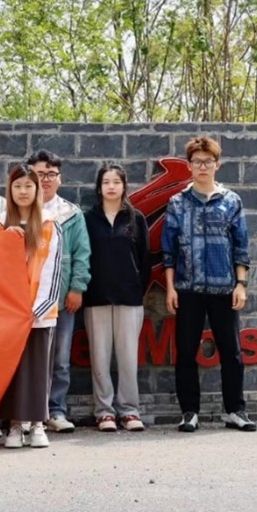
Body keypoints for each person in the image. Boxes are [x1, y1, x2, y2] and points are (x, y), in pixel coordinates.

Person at [161, 135, 255, 433]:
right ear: (189, 166)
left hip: (224, 288)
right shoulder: (177, 203)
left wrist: (241, 284)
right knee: (186, 352)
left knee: (232, 352)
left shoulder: (231, 201)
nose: (203, 167)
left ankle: (235, 410)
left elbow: (241, 246)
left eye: (208, 161)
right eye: (197, 162)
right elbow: (169, 251)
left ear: (217, 164)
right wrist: (171, 288)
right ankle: (189, 412)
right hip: (188, 288)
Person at [0, 164, 63, 449]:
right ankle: (13, 425)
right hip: (8, 314)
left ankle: (36, 424)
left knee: (37, 369)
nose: (23, 191)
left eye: (28, 186)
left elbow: (52, 271)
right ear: (10, 190)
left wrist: (36, 309)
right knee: (10, 370)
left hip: (39, 313)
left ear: (37, 190)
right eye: (17, 186)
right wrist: (3, 240)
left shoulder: (49, 224)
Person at [83, 164, 150, 432]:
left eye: (116, 182)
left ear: (124, 186)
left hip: (129, 298)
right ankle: (104, 412)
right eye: (106, 182)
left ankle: (129, 411)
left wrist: (136, 288)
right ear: (99, 188)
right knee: (99, 358)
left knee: (128, 358)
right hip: (96, 297)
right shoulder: (88, 219)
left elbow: (145, 259)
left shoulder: (136, 219)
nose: (111, 187)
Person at [28, 151, 90, 433]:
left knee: (60, 359)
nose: (46, 180)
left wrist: (77, 287)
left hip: (62, 299)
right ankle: (27, 412)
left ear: (60, 178)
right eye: (40, 174)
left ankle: (56, 410)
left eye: (51, 174)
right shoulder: (20, 210)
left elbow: (81, 254)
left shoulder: (71, 214)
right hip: (26, 299)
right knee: (28, 358)